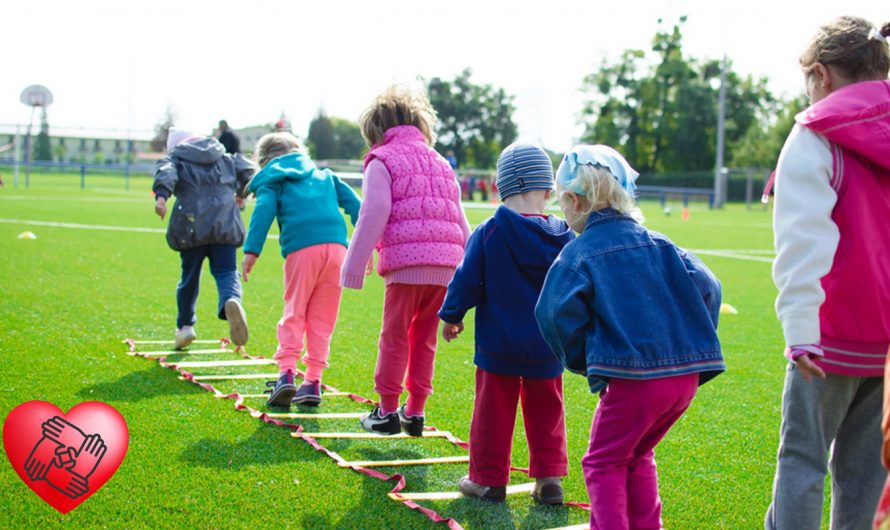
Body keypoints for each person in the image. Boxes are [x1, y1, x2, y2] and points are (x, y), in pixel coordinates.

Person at [535, 145, 724, 530]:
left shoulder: (579, 253)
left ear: (574, 201)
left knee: (603, 462)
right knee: (637, 454)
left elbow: (551, 312)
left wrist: (584, 360)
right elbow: (710, 286)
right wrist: (689, 340)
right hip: (684, 381)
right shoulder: (663, 243)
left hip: (634, 382)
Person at [765, 17, 890, 530]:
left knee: (803, 461)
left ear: (821, 73)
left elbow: (803, 242)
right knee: (866, 472)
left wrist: (800, 331)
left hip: (829, 333)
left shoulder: (815, 134)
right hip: (887, 346)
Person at [439, 144, 575, 504]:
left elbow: (466, 280)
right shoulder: (566, 236)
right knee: (548, 410)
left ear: (501, 187)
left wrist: (452, 315)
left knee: (492, 413)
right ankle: (549, 479)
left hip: (498, 345)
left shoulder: (490, 231)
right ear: (548, 189)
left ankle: (488, 480)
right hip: (548, 345)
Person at [340, 85, 470, 436]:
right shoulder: (441, 162)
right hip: (447, 267)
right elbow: (460, 219)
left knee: (394, 337)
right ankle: (415, 411)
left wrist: (354, 264)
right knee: (424, 339)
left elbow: (374, 210)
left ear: (376, 130)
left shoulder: (381, 159)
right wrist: (470, 274)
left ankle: (386, 412)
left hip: (406, 265)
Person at [241, 132, 361, 407]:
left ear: (264, 160)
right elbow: (358, 207)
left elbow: (263, 211)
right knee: (323, 317)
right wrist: (367, 245)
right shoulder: (326, 176)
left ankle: (286, 374)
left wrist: (251, 251)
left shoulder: (273, 179)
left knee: (294, 311)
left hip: (303, 249)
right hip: (338, 250)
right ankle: (313, 381)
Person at [152, 128, 254, 349]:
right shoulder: (224, 157)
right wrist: (241, 194)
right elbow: (248, 171)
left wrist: (161, 198)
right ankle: (231, 299)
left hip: (191, 226)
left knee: (189, 277)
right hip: (225, 223)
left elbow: (166, 173)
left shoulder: (177, 159)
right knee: (227, 271)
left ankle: (185, 327)